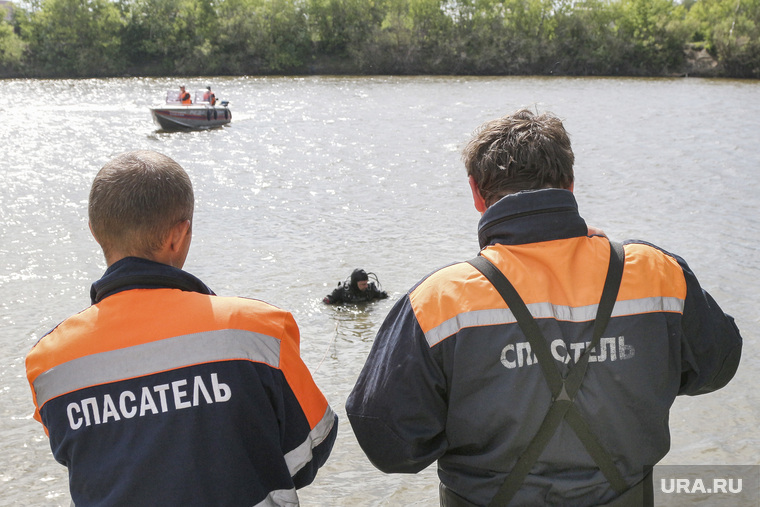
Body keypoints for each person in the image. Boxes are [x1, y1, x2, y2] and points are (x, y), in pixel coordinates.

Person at [345, 109, 742, 506]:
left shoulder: (439, 299)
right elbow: (717, 366)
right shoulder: (655, 271)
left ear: (476, 193)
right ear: (570, 185)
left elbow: (389, 444)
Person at [26, 150, 337, 506]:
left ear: (96, 232)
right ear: (179, 235)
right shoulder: (260, 331)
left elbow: (87, 458)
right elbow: (310, 450)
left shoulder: (47, 362)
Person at [323, 268, 388, 304]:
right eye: (363, 284)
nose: (366, 286)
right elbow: (327, 300)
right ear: (355, 283)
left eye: (366, 283)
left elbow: (384, 296)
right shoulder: (342, 290)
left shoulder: (370, 289)